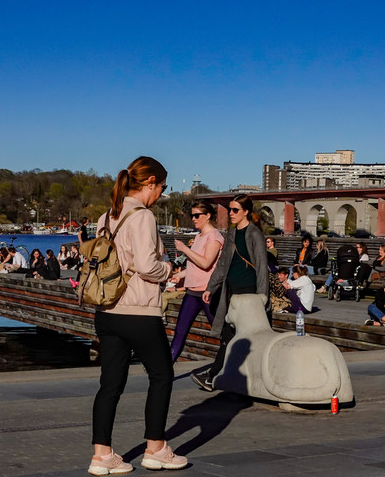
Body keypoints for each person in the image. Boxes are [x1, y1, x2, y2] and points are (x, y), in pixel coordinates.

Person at [89, 156, 187, 474]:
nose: (161, 193)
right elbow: (146, 266)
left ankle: (101, 456)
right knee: (161, 375)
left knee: (110, 384)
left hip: (106, 309)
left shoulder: (107, 217)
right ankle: (155, 448)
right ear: (149, 183)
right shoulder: (142, 216)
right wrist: (169, 270)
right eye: (162, 186)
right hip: (138, 311)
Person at [193, 193, 269, 392]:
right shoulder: (232, 234)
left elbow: (261, 266)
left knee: (231, 336)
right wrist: (211, 287)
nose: (231, 214)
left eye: (236, 210)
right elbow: (222, 264)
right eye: (230, 210)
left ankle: (211, 377)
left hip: (249, 295)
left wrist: (262, 297)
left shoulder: (254, 234)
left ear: (246, 212)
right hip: (231, 292)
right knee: (233, 336)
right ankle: (229, 378)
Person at [169, 201, 224, 363]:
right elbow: (195, 265)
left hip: (208, 293)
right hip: (192, 292)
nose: (193, 219)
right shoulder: (198, 236)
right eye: (192, 215)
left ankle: (233, 364)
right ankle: (165, 369)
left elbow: (206, 263)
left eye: (197, 215)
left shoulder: (214, 237)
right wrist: (180, 275)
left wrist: (185, 249)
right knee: (180, 331)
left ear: (208, 216)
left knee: (220, 332)